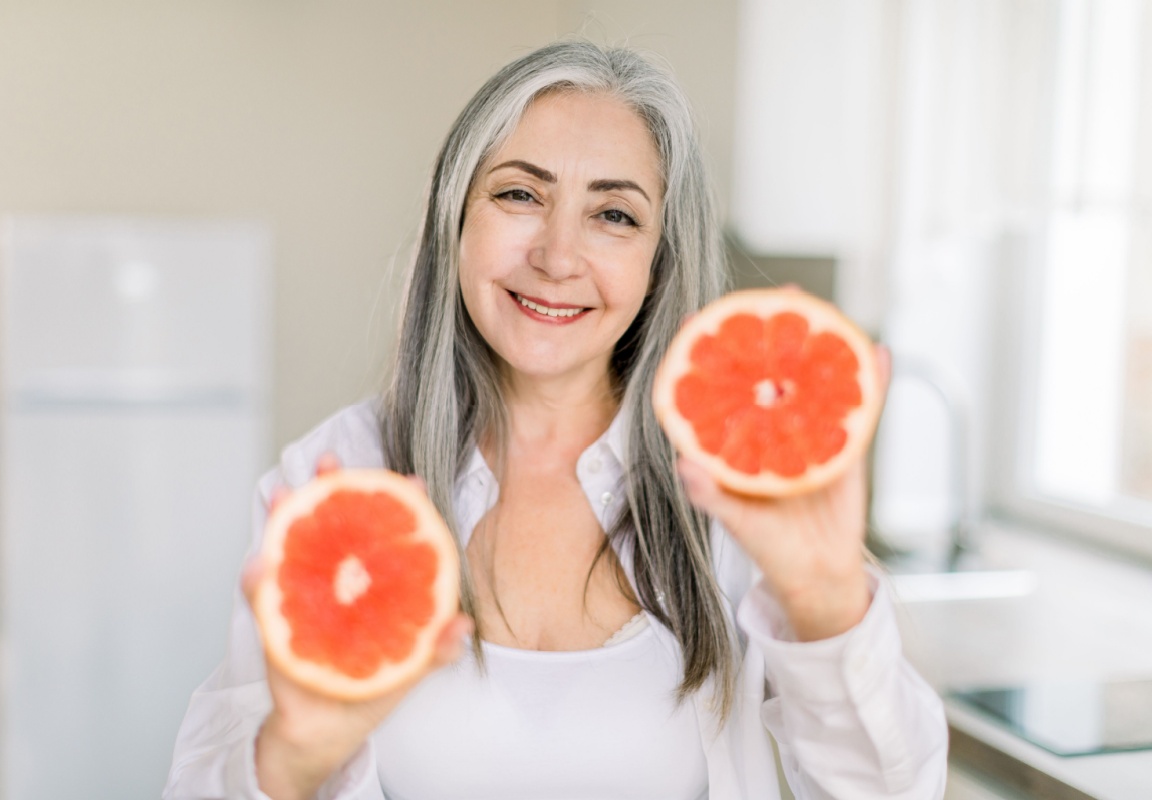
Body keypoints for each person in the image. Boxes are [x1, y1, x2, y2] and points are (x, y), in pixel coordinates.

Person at [164, 40, 948, 799]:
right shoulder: (336, 477)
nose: (558, 255)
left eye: (614, 215)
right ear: (455, 221)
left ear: (657, 262)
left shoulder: (733, 498)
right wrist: (293, 760)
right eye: (518, 194)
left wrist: (825, 601)